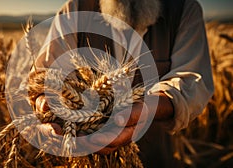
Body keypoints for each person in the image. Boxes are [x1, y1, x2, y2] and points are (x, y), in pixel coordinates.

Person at [32, 0, 214, 167]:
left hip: (157, 159)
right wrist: (45, 103)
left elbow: (192, 81)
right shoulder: (75, 9)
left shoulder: (184, 9)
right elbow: (45, 77)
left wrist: (147, 108)